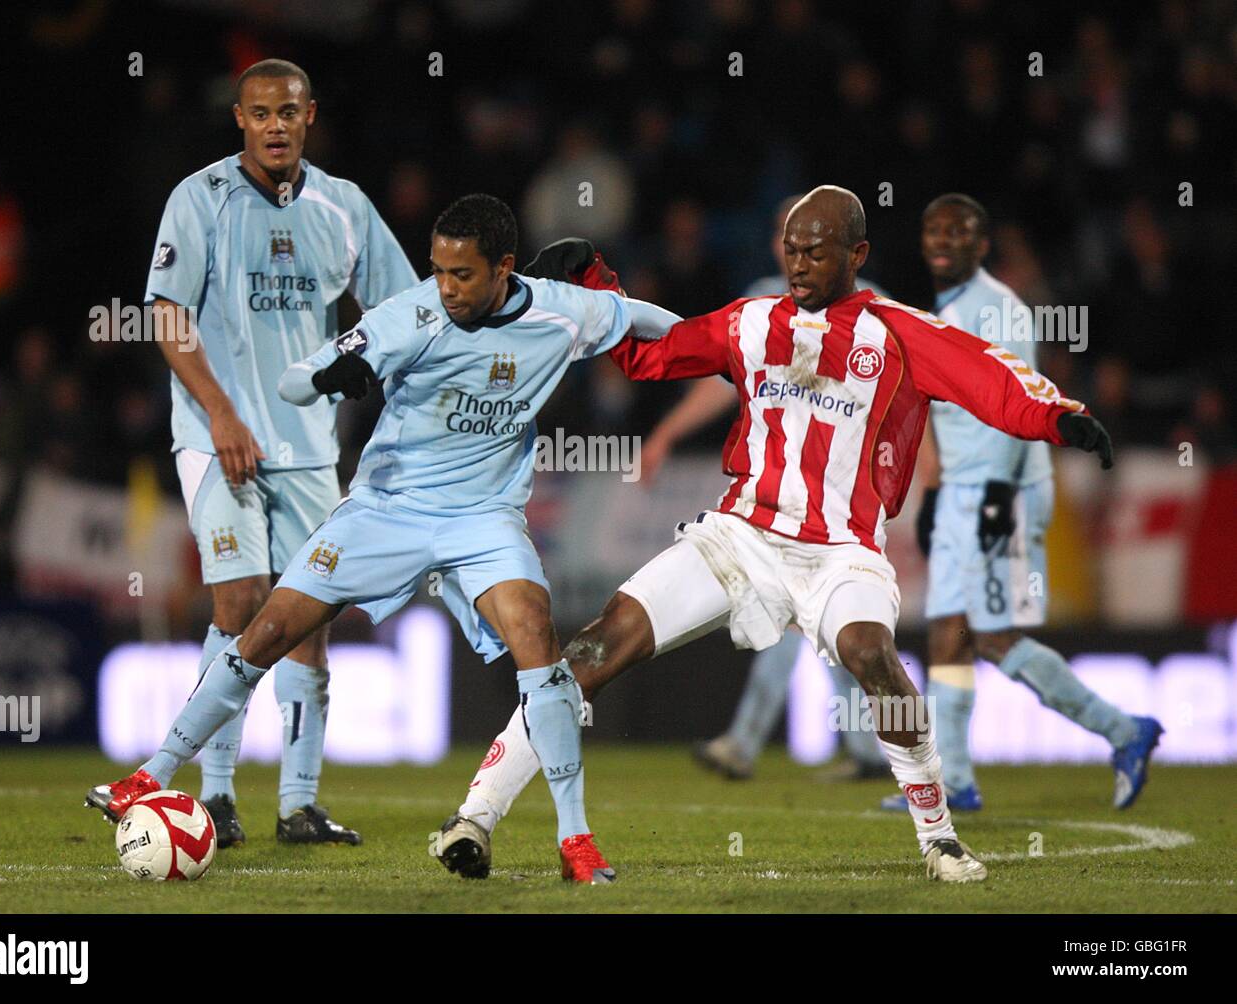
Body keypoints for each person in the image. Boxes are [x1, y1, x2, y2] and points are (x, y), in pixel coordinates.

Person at [441, 186, 1116, 884]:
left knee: (872, 655)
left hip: (842, 552)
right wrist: (596, 283)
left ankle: (939, 836)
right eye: (791, 250)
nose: (798, 265)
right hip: (741, 537)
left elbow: (987, 376)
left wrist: (1059, 417)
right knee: (594, 646)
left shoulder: (897, 331)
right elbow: (655, 355)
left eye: (816, 252)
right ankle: (475, 816)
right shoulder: (751, 320)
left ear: (856, 254)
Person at [88, 194, 684, 883]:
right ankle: (152, 772)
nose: (446, 287)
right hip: (386, 510)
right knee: (267, 632)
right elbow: (293, 382)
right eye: (438, 270)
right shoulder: (411, 315)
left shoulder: (559, 308)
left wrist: (720, 347)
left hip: (482, 517)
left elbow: (644, 320)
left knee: (536, 636)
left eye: (463, 274)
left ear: (504, 269)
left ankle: (575, 840)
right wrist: (331, 376)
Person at [142, 59, 417, 845]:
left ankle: (298, 805)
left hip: (306, 446)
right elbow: (166, 318)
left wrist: (374, 363)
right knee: (239, 603)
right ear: (239, 119)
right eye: (258, 113)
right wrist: (223, 413)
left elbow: (401, 310)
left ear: (309, 117)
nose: (273, 126)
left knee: (305, 620)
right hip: (215, 436)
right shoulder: (200, 199)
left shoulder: (345, 207)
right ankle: (216, 796)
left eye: (286, 113)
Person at [880, 193, 1162, 814]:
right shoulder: (945, 311)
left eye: (959, 232)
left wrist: (996, 496)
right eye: (934, 231)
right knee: (948, 635)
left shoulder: (998, 309)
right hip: (964, 489)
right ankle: (953, 779)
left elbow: (1020, 399)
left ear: (982, 246)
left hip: (997, 489)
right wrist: (936, 495)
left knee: (993, 637)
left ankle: (1123, 730)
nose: (943, 241)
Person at [640, 192, 888, 782]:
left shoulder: (875, 313)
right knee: (804, 622)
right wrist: (666, 432)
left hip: (841, 502)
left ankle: (768, 745)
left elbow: (910, 392)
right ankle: (850, 751)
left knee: (820, 624)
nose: (796, 254)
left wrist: (918, 476)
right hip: (779, 499)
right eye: (787, 238)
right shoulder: (763, 306)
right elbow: (720, 383)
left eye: (808, 240)